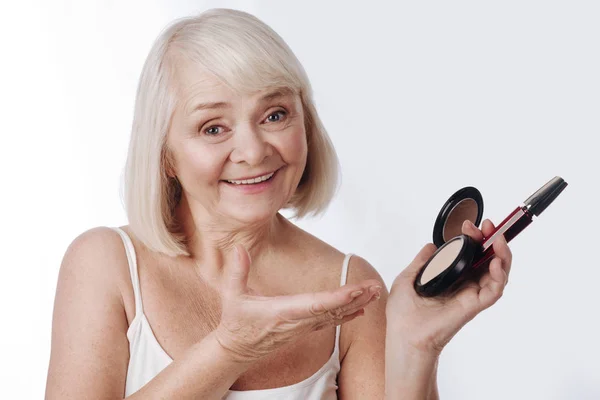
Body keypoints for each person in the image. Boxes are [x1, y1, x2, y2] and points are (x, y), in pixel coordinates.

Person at [45, 8, 512, 400]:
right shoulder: (105, 264)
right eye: (213, 127)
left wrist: (416, 345)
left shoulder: (353, 289)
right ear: (165, 154)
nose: (253, 150)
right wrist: (230, 349)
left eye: (275, 114)